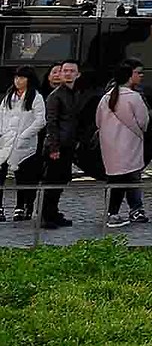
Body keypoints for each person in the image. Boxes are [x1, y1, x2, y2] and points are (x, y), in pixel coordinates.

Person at [36, 60, 90, 228]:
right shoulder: (55, 96)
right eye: (64, 70)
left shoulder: (75, 93)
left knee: (61, 181)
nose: (67, 73)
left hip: (68, 145)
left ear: (78, 74)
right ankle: (45, 216)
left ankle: (53, 213)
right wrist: (54, 147)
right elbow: (51, 123)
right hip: (56, 146)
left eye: (71, 71)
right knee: (51, 182)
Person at [97, 61, 150, 227]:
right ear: (129, 76)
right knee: (133, 177)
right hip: (130, 144)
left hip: (109, 145)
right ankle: (136, 210)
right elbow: (143, 121)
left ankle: (112, 212)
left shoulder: (106, 98)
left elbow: (98, 121)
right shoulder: (134, 97)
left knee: (114, 179)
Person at [0, 68, 42, 220]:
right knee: (1, 174)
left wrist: (24, 135)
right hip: (6, 142)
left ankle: (22, 206)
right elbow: (2, 116)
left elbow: (40, 120)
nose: (18, 81)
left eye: (22, 78)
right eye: (17, 77)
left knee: (24, 177)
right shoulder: (8, 97)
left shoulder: (35, 97)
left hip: (25, 144)